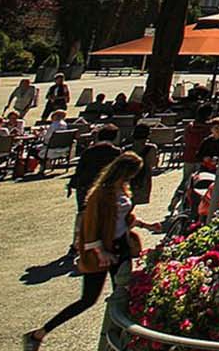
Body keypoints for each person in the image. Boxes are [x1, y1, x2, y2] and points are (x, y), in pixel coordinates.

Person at [25, 151, 161, 348]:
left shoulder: (123, 188)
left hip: (121, 246)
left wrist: (146, 225)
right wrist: (99, 251)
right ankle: (40, 333)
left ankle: (122, 339)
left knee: (124, 294)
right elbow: (90, 226)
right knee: (88, 299)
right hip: (103, 250)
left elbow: (122, 218)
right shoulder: (101, 194)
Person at [68, 125, 123, 209]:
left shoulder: (89, 151)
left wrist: (72, 184)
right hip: (105, 186)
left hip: (86, 184)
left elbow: (79, 169)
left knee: (83, 212)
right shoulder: (116, 152)